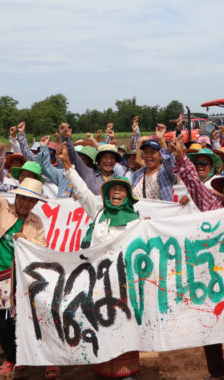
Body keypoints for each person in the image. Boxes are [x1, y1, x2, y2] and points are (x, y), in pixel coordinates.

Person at [169, 134, 224, 380]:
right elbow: (194, 183)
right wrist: (180, 156)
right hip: (210, 276)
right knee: (208, 323)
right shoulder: (212, 204)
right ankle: (217, 372)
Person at [57, 144, 141, 379]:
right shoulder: (99, 212)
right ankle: (102, 370)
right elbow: (82, 190)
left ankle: (126, 374)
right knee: (100, 327)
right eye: (113, 189)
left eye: (121, 190)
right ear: (106, 194)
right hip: (97, 285)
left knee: (123, 329)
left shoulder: (136, 221)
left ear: (127, 195)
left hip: (123, 288)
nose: (116, 192)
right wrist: (66, 164)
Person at [0, 160, 59, 378]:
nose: (27, 203)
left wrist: (26, 238)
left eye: (32, 200)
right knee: (0, 321)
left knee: (31, 317)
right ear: (17, 197)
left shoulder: (35, 222)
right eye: (24, 198)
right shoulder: (1, 208)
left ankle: (45, 358)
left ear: (35, 203)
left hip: (22, 278)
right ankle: (12, 357)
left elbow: (42, 247)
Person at [59, 122, 124, 194]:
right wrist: (65, 138)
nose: (108, 161)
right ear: (99, 160)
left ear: (115, 161)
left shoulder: (120, 180)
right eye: (105, 157)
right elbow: (75, 158)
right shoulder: (88, 173)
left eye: (112, 158)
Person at [132, 124, 175, 201]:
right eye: (146, 152)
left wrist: (161, 139)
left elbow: (169, 161)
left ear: (160, 156)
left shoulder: (165, 172)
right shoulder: (137, 174)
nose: (148, 155)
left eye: (152, 152)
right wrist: (139, 142)